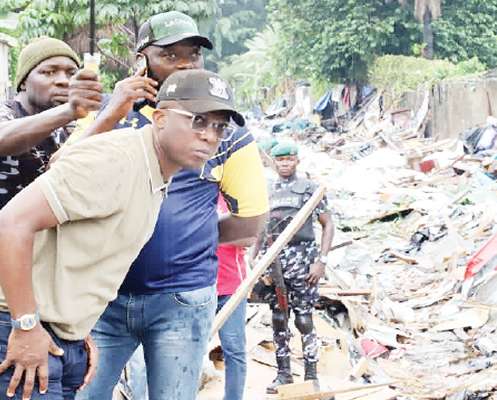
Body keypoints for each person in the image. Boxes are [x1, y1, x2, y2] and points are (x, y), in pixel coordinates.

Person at [0, 69, 245, 400]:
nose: (210, 136)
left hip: (53, 330)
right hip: (1, 320)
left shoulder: (156, 171)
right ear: (159, 117)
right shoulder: (116, 159)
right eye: (198, 121)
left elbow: (85, 250)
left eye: (220, 127)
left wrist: (76, 327)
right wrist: (26, 326)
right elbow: (9, 225)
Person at [74, 11, 269, 400]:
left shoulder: (226, 131)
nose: (184, 64)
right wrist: (112, 112)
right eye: (170, 54)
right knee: (81, 394)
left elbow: (251, 222)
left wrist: (190, 236)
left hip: (183, 299)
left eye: (193, 54)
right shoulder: (113, 117)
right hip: (103, 297)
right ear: (142, 60)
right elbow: (60, 178)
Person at [0, 36, 102, 285]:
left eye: (71, 72)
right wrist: (70, 110)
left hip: (27, 273)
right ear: (23, 83)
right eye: (48, 71)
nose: (63, 80)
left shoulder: (65, 130)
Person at [249, 141, 335, 394]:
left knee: (304, 319)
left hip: (303, 262)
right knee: (278, 318)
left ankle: (311, 376)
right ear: (273, 163)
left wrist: (322, 261)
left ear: (297, 161)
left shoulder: (310, 189)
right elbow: (260, 227)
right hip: (273, 263)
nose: (285, 164)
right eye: (280, 160)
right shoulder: (267, 190)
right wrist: (253, 258)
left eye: (289, 159)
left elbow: (328, 224)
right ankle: (284, 374)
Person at [215, 194, 255, 400]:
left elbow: (249, 238)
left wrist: (210, 231)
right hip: (197, 286)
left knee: (233, 349)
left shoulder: (232, 200)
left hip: (231, 287)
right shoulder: (193, 193)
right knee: (190, 349)